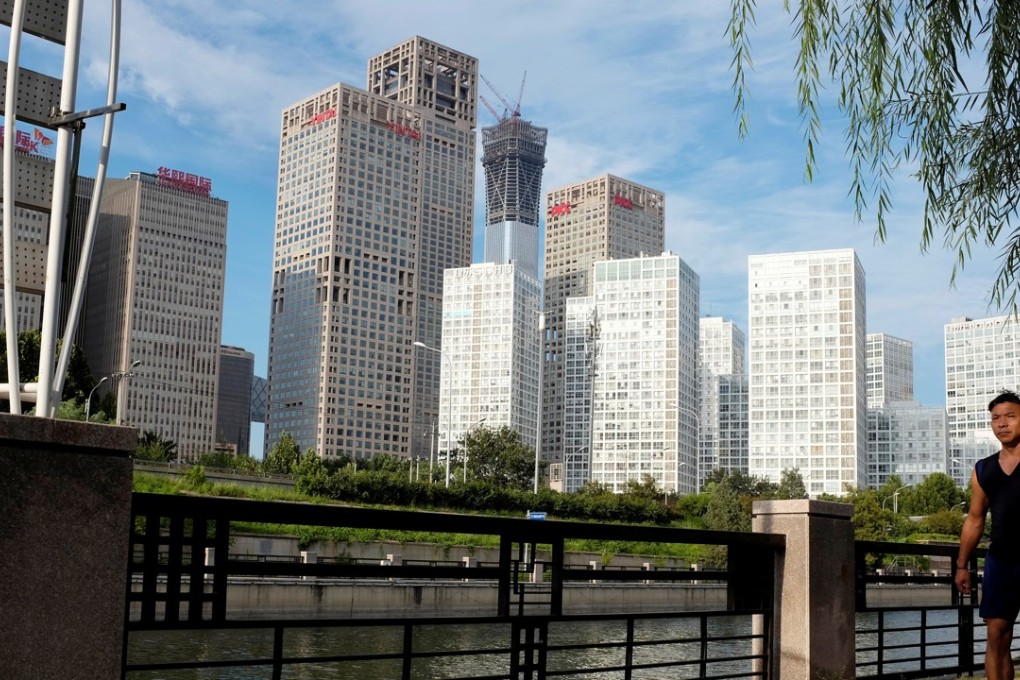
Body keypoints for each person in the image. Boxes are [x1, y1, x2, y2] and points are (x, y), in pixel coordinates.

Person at [956, 389, 1020, 680]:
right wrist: (961, 565)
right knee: (996, 635)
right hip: (1001, 563)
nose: (1002, 423)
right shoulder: (983, 469)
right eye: (996, 418)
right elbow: (975, 519)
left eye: (1010, 416)